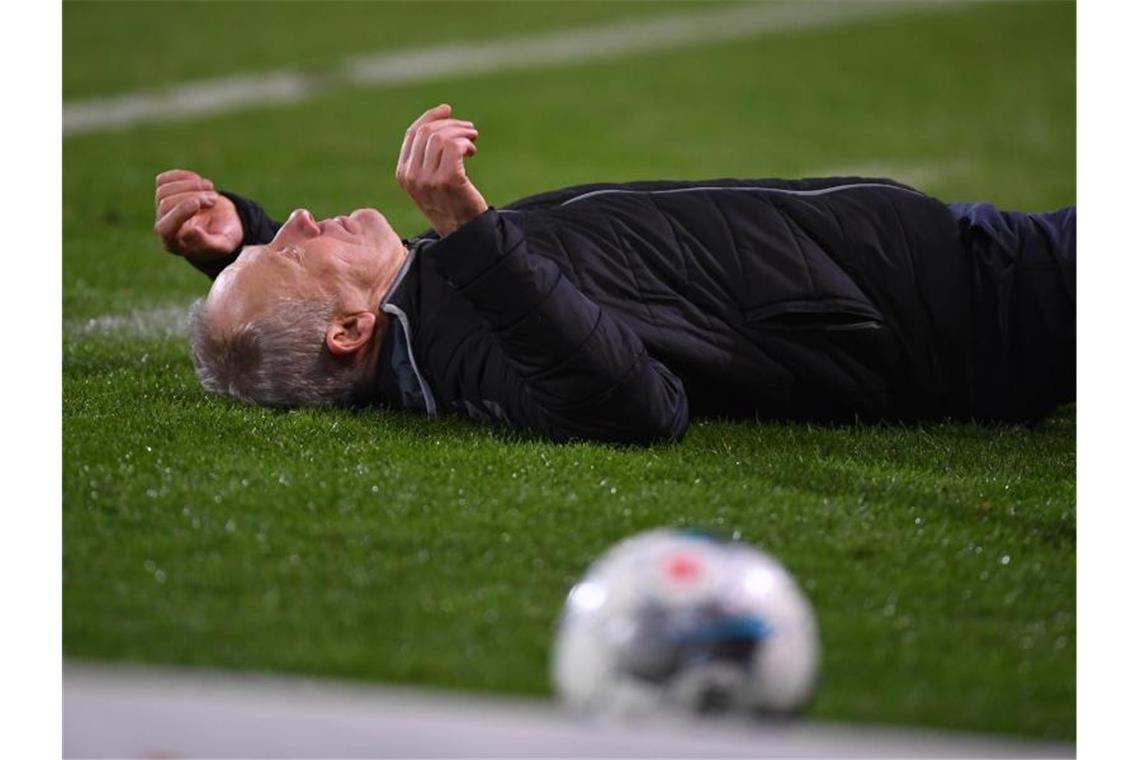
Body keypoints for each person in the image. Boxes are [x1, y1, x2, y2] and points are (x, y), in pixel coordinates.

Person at [155, 104, 1075, 445]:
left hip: (944, 269)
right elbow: (635, 403)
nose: (305, 220)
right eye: (291, 250)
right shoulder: (464, 345)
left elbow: (328, 314)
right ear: (351, 331)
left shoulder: (423, 315)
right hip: (971, 309)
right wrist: (468, 229)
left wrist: (242, 243)